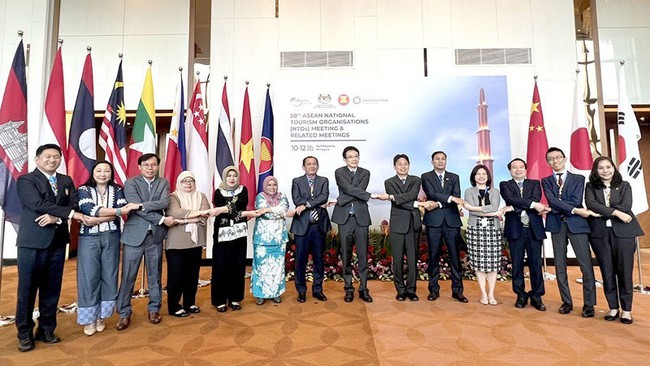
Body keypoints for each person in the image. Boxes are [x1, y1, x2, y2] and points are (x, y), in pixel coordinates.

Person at [15, 144, 84, 352]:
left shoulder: (66, 180)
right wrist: (67, 215)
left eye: (56, 156)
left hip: (57, 242)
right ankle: (25, 333)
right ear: (37, 159)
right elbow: (37, 203)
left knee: (51, 289)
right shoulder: (26, 180)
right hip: (32, 243)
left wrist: (56, 217)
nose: (52, 160)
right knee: (27, 291)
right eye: (47, 156)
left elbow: (75, 203)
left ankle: (46, 330)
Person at [76, 161, 139, 336]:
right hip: (88, 238)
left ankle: (101, 316)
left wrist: (97, 219)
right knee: (89, 276)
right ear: (93, 172)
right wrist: (114, 213)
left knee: (109, 275)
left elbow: (121, 210)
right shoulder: (83, 189)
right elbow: (88, 209)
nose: (103, 174)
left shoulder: (118, 189)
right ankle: (89, 318)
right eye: (99, 170)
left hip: (112, 237)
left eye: (106, 171)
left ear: (111, 173)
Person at [115, 153, 175, 330]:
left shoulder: (163, 182)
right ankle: (124, 313)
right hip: (134, 236)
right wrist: (160, 219)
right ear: (140, 167)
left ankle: (154, 309)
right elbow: (133, 206)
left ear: (158, 166)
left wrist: (141, 205)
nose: (150, 168)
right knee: (128, 276)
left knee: (154, 275)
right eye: (146, 165)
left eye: (154, 164)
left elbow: (164, 202)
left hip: (155, 237)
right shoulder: (131, 183)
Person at [585, 156, 644, 324]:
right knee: (607, 271)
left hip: (624, 234)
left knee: (625, 272)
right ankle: (613, 307)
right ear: (596, 171)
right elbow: (591, 204)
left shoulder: (624, 185)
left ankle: (626, 310)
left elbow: (626, 206)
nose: (605, 170)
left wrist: (605, 210)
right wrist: (616, 213)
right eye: (601, 168)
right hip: (600, 234)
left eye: (608, 167)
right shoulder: (590, 186)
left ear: (613, 168)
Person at [542, 147, 598, 317]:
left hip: (577, 225)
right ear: (548, 162)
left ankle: (589, 304)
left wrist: (560, 206)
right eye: (551, 159)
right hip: (557, 225)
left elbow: (574, 199)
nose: (555, 161)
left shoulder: (578, 178)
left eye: (558, 157)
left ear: (564, 159)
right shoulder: (545, 180)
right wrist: (574, 209)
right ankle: (566, 301)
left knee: (585, 265)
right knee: (560, 265)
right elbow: (551, 200)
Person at [332, 146, 385, 303]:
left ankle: (363, 289)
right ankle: (348, 289)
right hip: (345, 218)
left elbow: (354, 190)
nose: (354, 159)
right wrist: (371, 196)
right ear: (345, 159)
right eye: (350, 157)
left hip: (360, 217)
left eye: (356, 156)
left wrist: (341, 199)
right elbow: (349, 189)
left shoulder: (365, 172)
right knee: (346, 254)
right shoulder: (339, 172)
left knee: (363, 254)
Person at [210, 166, 258, 312]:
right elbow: (237, 210)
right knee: (221, 266)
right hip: (222, 236)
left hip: (239, 235)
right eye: (229, 176)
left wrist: (223, 210)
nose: (232, 178)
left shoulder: (243, 190)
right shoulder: (218, 192)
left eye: (234, 176)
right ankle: (220, 300)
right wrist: (235, 211)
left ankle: (235, 298)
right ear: (225, 177)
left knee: (238, 265)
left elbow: (241, 204)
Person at [420, 151, 467, 303]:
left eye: (443, 159)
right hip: (433, 222)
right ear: (432, 161)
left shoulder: (454, 177)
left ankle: (458, 291)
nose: (440, 161)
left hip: (452, 222)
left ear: (446, 161)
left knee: (455, 258)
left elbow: (457, 196)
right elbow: (431, 193)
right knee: (433, 257)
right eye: (437, 159)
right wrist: (449, 198)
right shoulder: (426, 176)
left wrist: (439, 203)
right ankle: (433, 290)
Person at [165, 171, 211, 317]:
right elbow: (174, 212)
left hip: (195, 243)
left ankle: (189, 303)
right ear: (179, 182)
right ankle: (174, 306)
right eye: (185, 181)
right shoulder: (173, 197)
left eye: (191, 180)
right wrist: (195, 216)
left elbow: (205, 213)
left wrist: (183, 220)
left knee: (192, 276)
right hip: (176, 245)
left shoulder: (201, 196)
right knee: (176, 277)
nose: (188, 183)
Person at [290, 156, 333, 303]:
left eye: (315, 164)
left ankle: (317, 290)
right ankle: (301, 291)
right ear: (304, 167)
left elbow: (324, 197)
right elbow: (297, 200)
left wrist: (307, 204)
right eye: (309, 164)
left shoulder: (324, 180)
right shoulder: (297, 181)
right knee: (300, 260)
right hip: (302, 227)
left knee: (319, 260)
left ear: (318, 166)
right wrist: (316, 203)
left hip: (318, 227)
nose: (312, 166)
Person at [384, 154, 425, 301]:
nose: (402, 166)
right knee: (398, 259)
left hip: (413, 224)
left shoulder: (416, 180)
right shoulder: (389, 182)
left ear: (409, 165)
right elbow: (399, 202)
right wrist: (417, 204)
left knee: (413, 259)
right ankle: (400, 290)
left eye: (405, 163)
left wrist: (394, 197)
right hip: (397, 225)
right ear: (394, 166)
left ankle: (411, 290)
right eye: (399, 164)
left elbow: (412, 195)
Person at [463, 165, 506, 305]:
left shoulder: (494, 191)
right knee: (479, 263)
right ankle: (483, 294)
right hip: (475, 230)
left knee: (493, 264)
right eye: (478, 174)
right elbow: (475, 213)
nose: (481, 176)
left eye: (484, 174)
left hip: (492, 230)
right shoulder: (469, 191)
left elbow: (493, 207)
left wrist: (472, 208)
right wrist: (493, 213)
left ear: (488, 176)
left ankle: (491, 294)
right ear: (473, 176)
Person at [252, 176, 295, 305]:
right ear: (265, 186)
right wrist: (277, 212)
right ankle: (260, 294)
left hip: (279, 237)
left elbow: (285, 210)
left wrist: (269, 208)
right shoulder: (260, 197)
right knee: (262, 267)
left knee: (277, 266)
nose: (272, 187)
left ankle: (275, 293)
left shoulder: (282, 196)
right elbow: (263, 213)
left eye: (274, 185)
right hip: (262, 239)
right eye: (269, 185)